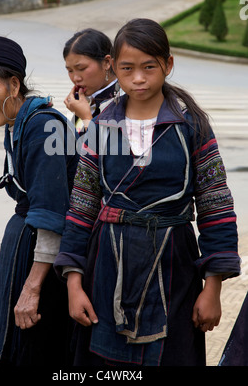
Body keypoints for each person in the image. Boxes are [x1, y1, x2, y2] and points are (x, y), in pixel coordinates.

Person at [54, 18, 241, 366]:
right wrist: (74, 283)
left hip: (175, 270)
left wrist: (213, 287)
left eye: (149, 67)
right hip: (107, 270)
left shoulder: (191, 126)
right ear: (114, 67)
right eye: (127, 68)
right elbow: (81, 207)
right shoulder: (102, 125)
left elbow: (216, 207)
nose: (138, 78)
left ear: (168, 65)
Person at [0, 34, 79, 366]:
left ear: (13, 85)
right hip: (26, 253)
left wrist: (31, 288)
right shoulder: (18, 123)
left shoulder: (42, 127)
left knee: (38, 351)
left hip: (45, 264)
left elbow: (51, 211)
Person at [63, 28, 119, 133]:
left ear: (106, 62)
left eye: (81, 69)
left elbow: (108, 147)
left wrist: (85, 117)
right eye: (70, 71)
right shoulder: (85, 100)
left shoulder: (123, 100)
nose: (76, 78)